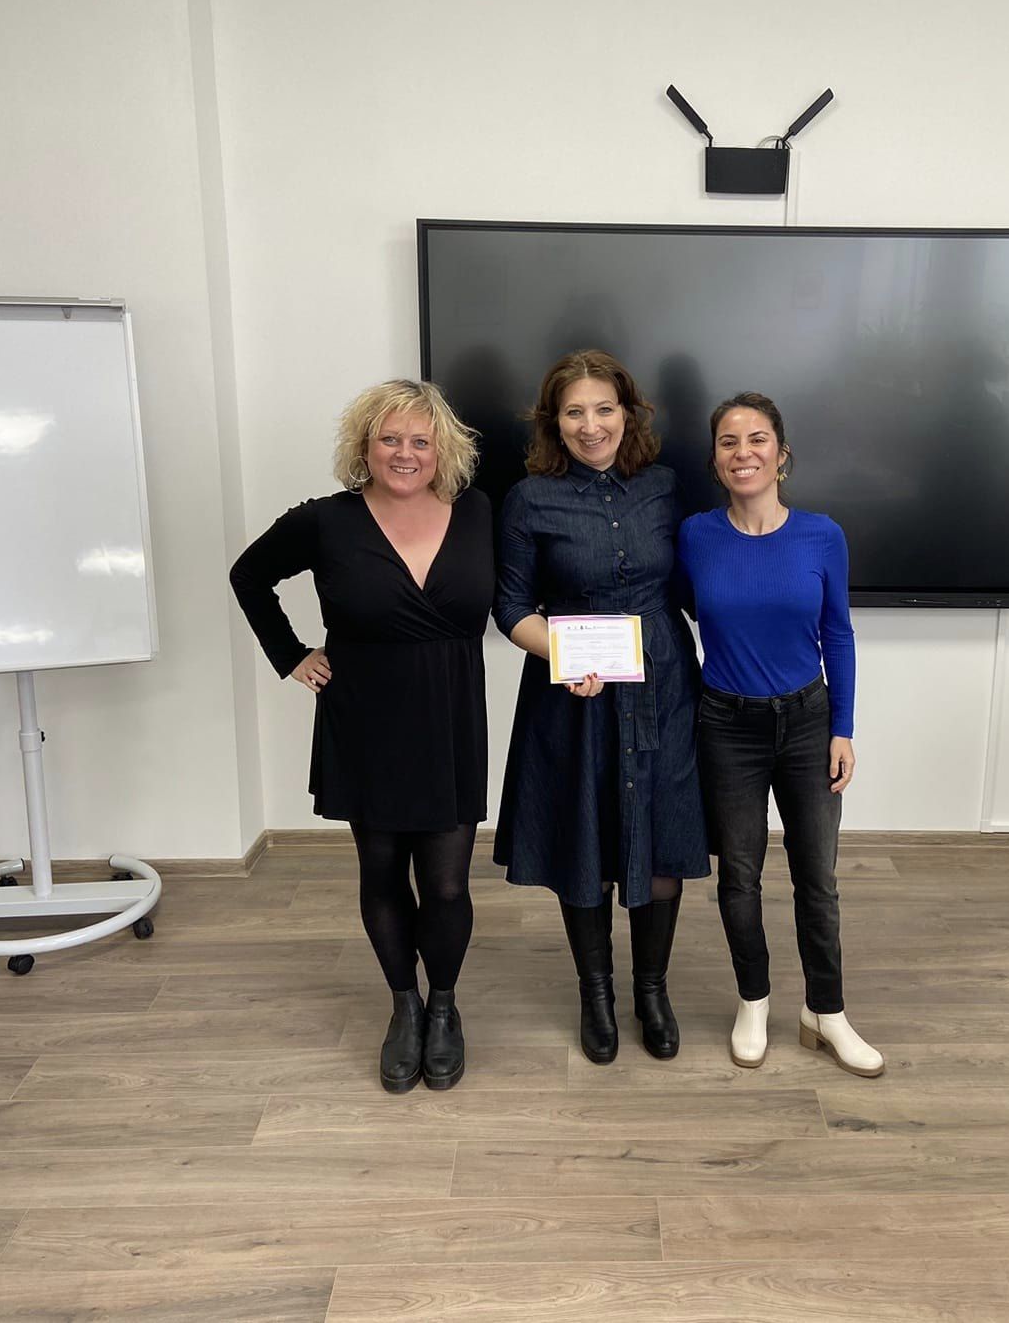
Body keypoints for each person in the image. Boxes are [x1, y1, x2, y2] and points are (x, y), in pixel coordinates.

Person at [229, 380, 492, 1094]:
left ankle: (444, 1007)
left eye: (420, 440)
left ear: (442, 449)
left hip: (449, 718)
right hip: (365, 720)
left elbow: (526, 592)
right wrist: (291, 655)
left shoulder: (478, 512)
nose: (405, 453)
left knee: (446, 883)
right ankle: (404, 1007)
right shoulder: (326, 521)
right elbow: (249, 575)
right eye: (389, 438)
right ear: (365, 446)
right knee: (381, 874)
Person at [493, 349, 710, 1064]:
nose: (592, 426)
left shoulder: (667, 486)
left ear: (628, 412)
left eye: (604, 409)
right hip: (572, 695)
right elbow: (510, 607)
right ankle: (596, 995)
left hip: (665, 687)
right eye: (574, 412)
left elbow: (696, 584)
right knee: (583, 835)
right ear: (553, 422)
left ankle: (652, 992)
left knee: (663, 832)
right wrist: (562, 654)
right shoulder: (529, 498)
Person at [677, 391, 883, 1078]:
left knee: (816, 876)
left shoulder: (822, 535)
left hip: (807, 723)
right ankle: (754, 1001)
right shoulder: (696, 536)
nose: (744, 453)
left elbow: (838, 635)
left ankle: (826, 1012)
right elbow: (679, 612)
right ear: (715, 460)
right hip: (725, 726)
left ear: (781, 453)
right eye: (729, 442)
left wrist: (843, 728)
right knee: (739, 874)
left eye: (757, 439)